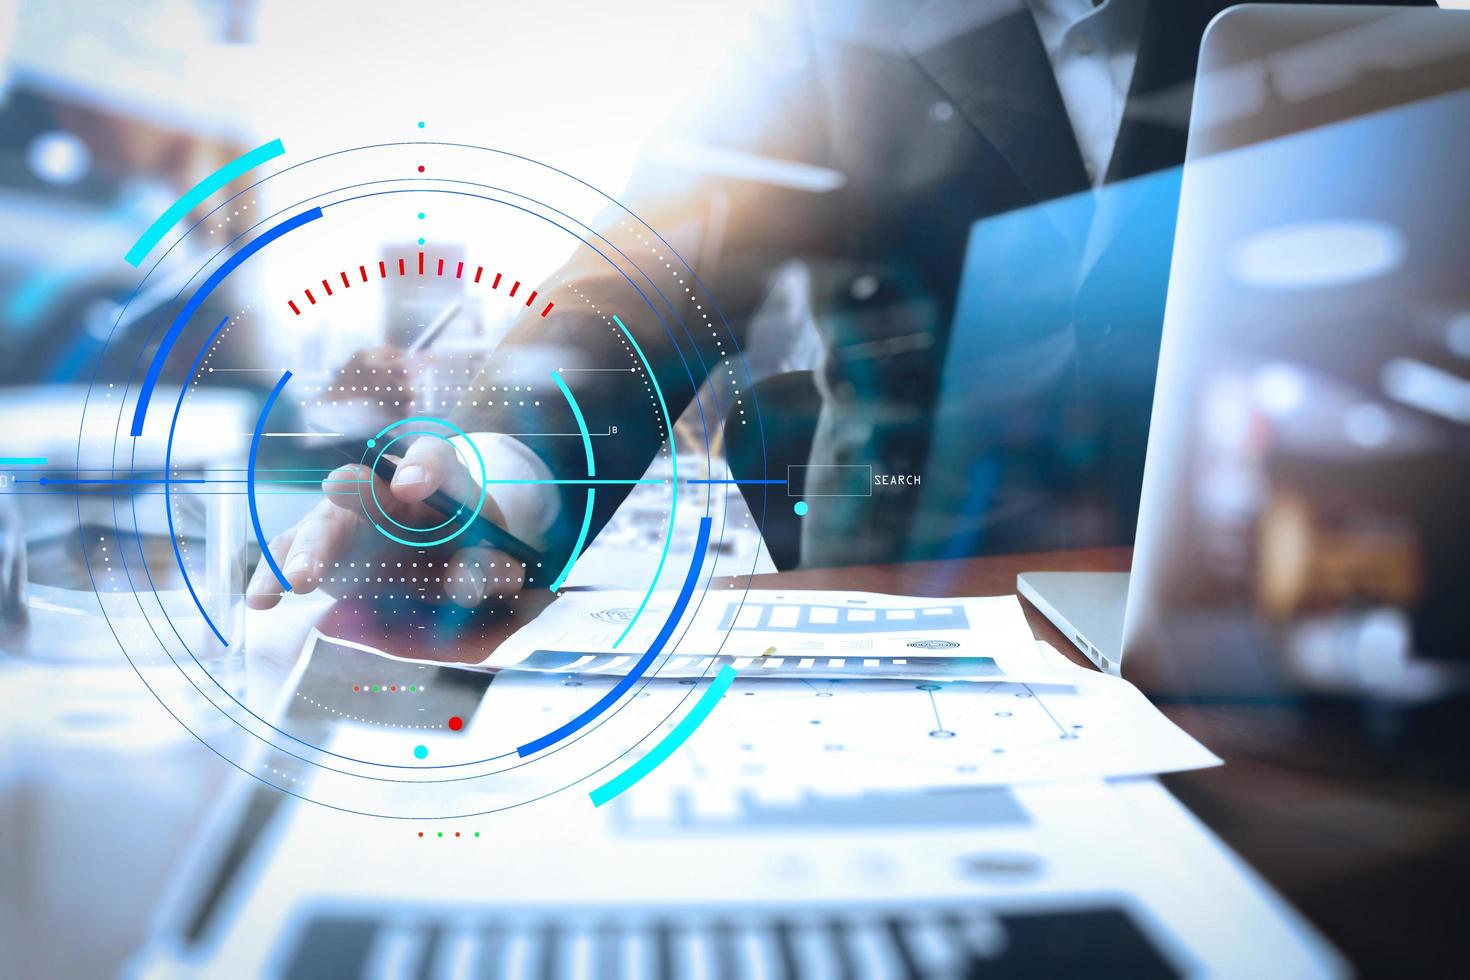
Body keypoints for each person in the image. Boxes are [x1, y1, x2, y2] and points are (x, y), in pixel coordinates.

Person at [247, 0, 1430, 611]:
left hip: (1263, 607)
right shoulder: (831, 27)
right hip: (913, 595)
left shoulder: (1344, 21)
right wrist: (497, 466)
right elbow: (658, 263)